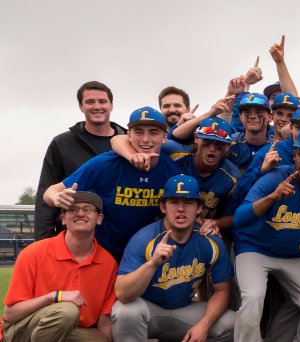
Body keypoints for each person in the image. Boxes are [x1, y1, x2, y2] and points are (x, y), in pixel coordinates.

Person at [232, 127, 300, 342]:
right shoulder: (274, 178)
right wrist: (272, 197)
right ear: (294, 154)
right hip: (254, 249)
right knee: (253, 298)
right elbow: (239, 219)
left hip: (293, 256)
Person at [42, 107, 182, 260]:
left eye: (153, 133)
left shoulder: (172, 172)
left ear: (164, 137)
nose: (145, 139)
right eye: (138, 132)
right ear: (129, 135)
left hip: (146, 253)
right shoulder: (105, 163)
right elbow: (51, 192)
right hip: (104, 254)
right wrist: (56, 197)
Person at [111, 175, 235, 341]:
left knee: (231, 322)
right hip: (148, 312)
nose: (181, 209)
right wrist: (152, 264)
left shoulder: (210, 241)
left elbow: (222, 291)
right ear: (163, 207)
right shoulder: (144, 239)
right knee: (125, 312)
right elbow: (122, 293)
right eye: (174, 202)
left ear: (199, 208)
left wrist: (204, 324)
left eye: (188, 202)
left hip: (184, 310)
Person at [1, 191, 116, 341]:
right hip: (22, 329)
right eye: (72, 209)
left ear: (99, 218)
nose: (80, 213)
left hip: (73, 330)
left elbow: (105, 320)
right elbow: (11, 314)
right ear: (63, 219)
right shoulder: (34, 253)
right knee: (67, 312)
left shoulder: (108, 263)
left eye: (88, 209)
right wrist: (54, 296)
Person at [35, 81, 127, 240]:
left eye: (102, 101)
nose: (97, 106)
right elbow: (46, 194)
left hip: (119, 237)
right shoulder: (62, 143)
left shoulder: (130, 142)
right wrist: (44, 241)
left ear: (111, 105)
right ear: (80, 106)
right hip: (74, 237)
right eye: (90, 102)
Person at [227, 93, 274, 170]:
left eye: (259, 112)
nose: (252, 116)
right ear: (241, 117)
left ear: (270, 117)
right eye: (247, 112)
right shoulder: (230, 144)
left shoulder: (276, 148)